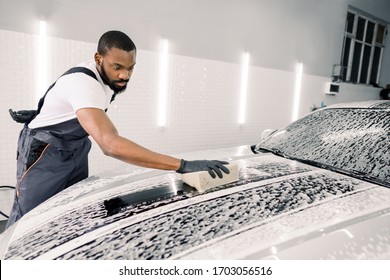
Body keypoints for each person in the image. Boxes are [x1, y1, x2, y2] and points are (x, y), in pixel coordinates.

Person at [6, 30, 229, 228]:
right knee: (29, 222)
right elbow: (110, 145)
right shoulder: (84, 83)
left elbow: (65, 96)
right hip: (45, 152)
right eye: (118, 67)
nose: (125, 75)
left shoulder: (106, 79)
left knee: (67, 213)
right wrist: (183, 165)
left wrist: (43, 112)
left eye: (131, 68)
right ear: (98, 58)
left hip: (76, 148)